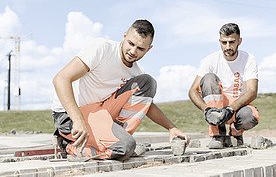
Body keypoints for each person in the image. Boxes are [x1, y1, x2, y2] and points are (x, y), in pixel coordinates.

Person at [51, 19, 189, 160]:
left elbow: (147, 105)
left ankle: (114, 141)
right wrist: (78, 120)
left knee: (147, 82)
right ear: (124, 36)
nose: (133, 51)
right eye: (131, 43)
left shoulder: (136, 72)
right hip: (70, 116)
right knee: (125, 147)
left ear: (149, 49)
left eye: (140, 49)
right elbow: (61, 79)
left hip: (99, 111)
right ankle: (71, 147)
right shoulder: (101, 48)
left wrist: (171, 128)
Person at [188, 23, 260, 149]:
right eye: (224, 42)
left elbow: (252, 91)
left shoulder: (248, 59)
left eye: (232, 42)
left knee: (250, 116)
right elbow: (192, 91)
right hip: (217, 106)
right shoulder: (210, 60)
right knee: (209, 78)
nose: (227, 47)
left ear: (240, 41)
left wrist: (230, 109)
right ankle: (218, 135)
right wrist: (206, 110)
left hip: (237, 107)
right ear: (219, 41)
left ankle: (236, 134)